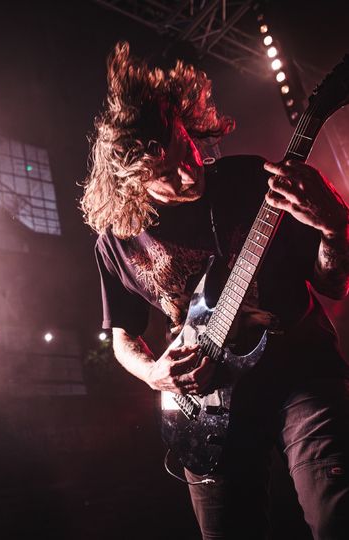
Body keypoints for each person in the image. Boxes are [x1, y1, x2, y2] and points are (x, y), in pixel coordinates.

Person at [81, 41, 349, 539]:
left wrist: (335, 228)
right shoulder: (116, 242)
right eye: (165, 175)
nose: (189, 171)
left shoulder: (252, 179)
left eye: (186, 148)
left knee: (339, 516)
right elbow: (122, 337)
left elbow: (334, 285)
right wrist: (154, 374)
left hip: (301, 374)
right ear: (130, 185)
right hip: (206, 410)